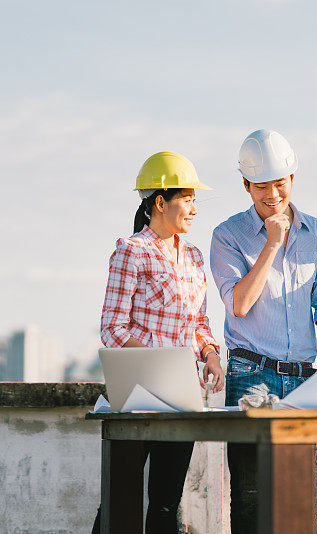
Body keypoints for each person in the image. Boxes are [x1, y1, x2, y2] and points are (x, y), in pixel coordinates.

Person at [210, 129, 317, 533]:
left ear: (292, 179)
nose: (272, 194)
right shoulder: (227, 235)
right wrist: (271, 243)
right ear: (246, 185)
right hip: (251, 375)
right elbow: (240, 304)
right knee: (250, 497)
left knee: (296, 493)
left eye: (279, 184)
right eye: (261, 186)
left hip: (303, 377)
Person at [92, 151, 225, 534]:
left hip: (184, 395)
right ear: (160, 202)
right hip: (138, 394)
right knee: (120, 497)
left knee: (167, 504)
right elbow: (112, 328)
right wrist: (162, 361)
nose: (194, 208)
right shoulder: (131, 251)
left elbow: (199, 322)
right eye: (188, 199)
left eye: (195, 200)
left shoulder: (195, 256)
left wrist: (211, 354)